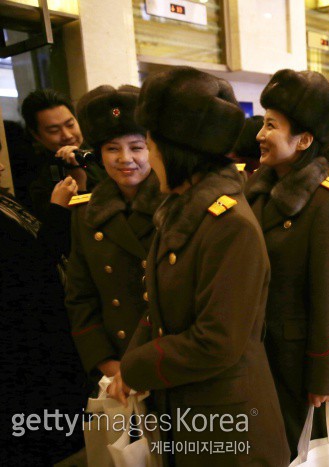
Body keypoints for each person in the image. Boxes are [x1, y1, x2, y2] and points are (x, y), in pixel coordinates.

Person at [110, 66, 289, 466]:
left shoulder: (229, 225)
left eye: (149, 144)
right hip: (189, 407)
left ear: (175, 150)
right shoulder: (180, 210)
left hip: (228, 424)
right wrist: (130, 363)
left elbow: (217, 341)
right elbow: (160, 304)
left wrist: (136, 366)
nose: (148, 157)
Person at [244, 69, 329, 458]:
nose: (260, 134)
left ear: (304, 140)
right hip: (257, 354)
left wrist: (324, 376)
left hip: (297, 363)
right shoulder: (256, 194)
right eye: (263, 123)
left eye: (271, 125)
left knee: (303, 453)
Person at [65, 85, 163, 383]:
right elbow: (81, 296)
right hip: (116, 361)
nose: (125, 158)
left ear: (153, 149)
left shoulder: (176, 205)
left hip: (165, 358)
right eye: (112, 149)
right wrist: (106, 363)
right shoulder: (86, 213)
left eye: (136, 147)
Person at [0, 159, 86, 464]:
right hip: (23, 334)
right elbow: (32, 265)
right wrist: (58, 209)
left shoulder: (5, 200)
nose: (1, 166)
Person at [20, 89, 106, 220]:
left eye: (70, 124)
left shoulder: (101, 150)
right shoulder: (37, 178)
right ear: (36, 135)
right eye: (54, 130)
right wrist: (79, 186)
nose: (67, 135)